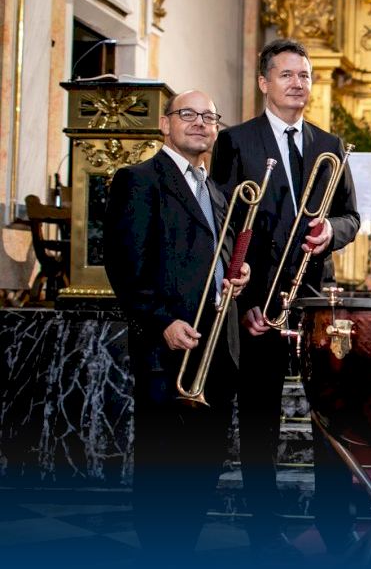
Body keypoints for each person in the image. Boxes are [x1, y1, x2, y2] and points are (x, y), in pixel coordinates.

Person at [211, 38, 361, 558]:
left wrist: (333, 232)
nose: (298, 84)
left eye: (305, 75)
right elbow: (224, 225)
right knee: (260, 418)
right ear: (264, 83)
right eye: (287, 75)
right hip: (258, 301)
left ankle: (336, 524)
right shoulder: (235, 142)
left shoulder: (331, 145)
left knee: (329, 414)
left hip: (315, 297)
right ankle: (265, 529)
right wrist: (242, 301)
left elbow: (351, 216)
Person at [105, 89, 250, 564]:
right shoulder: (139, 180)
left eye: (209, 116)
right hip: (168, 345)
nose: (200, 122)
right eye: (188, 114)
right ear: (165, 124)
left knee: (202, 463)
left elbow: (215, 255)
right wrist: (162, 321)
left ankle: (181, 552)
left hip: (216, 344)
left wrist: (238, 272)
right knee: (164, 464)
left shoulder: (217, 191)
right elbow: (124, 265)